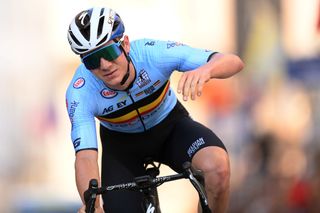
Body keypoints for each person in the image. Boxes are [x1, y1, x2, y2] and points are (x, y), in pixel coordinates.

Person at [66, 7, 244, 213]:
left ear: (124, 44)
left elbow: (233, 62)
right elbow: (85, 156)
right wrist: (92, 205)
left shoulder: (154, 54)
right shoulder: (80, 91)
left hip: (171, 129)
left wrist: (206, 70)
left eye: (108, 52)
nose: (104, 65)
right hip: (121, 149)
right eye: (92, 60)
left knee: (218, 169)